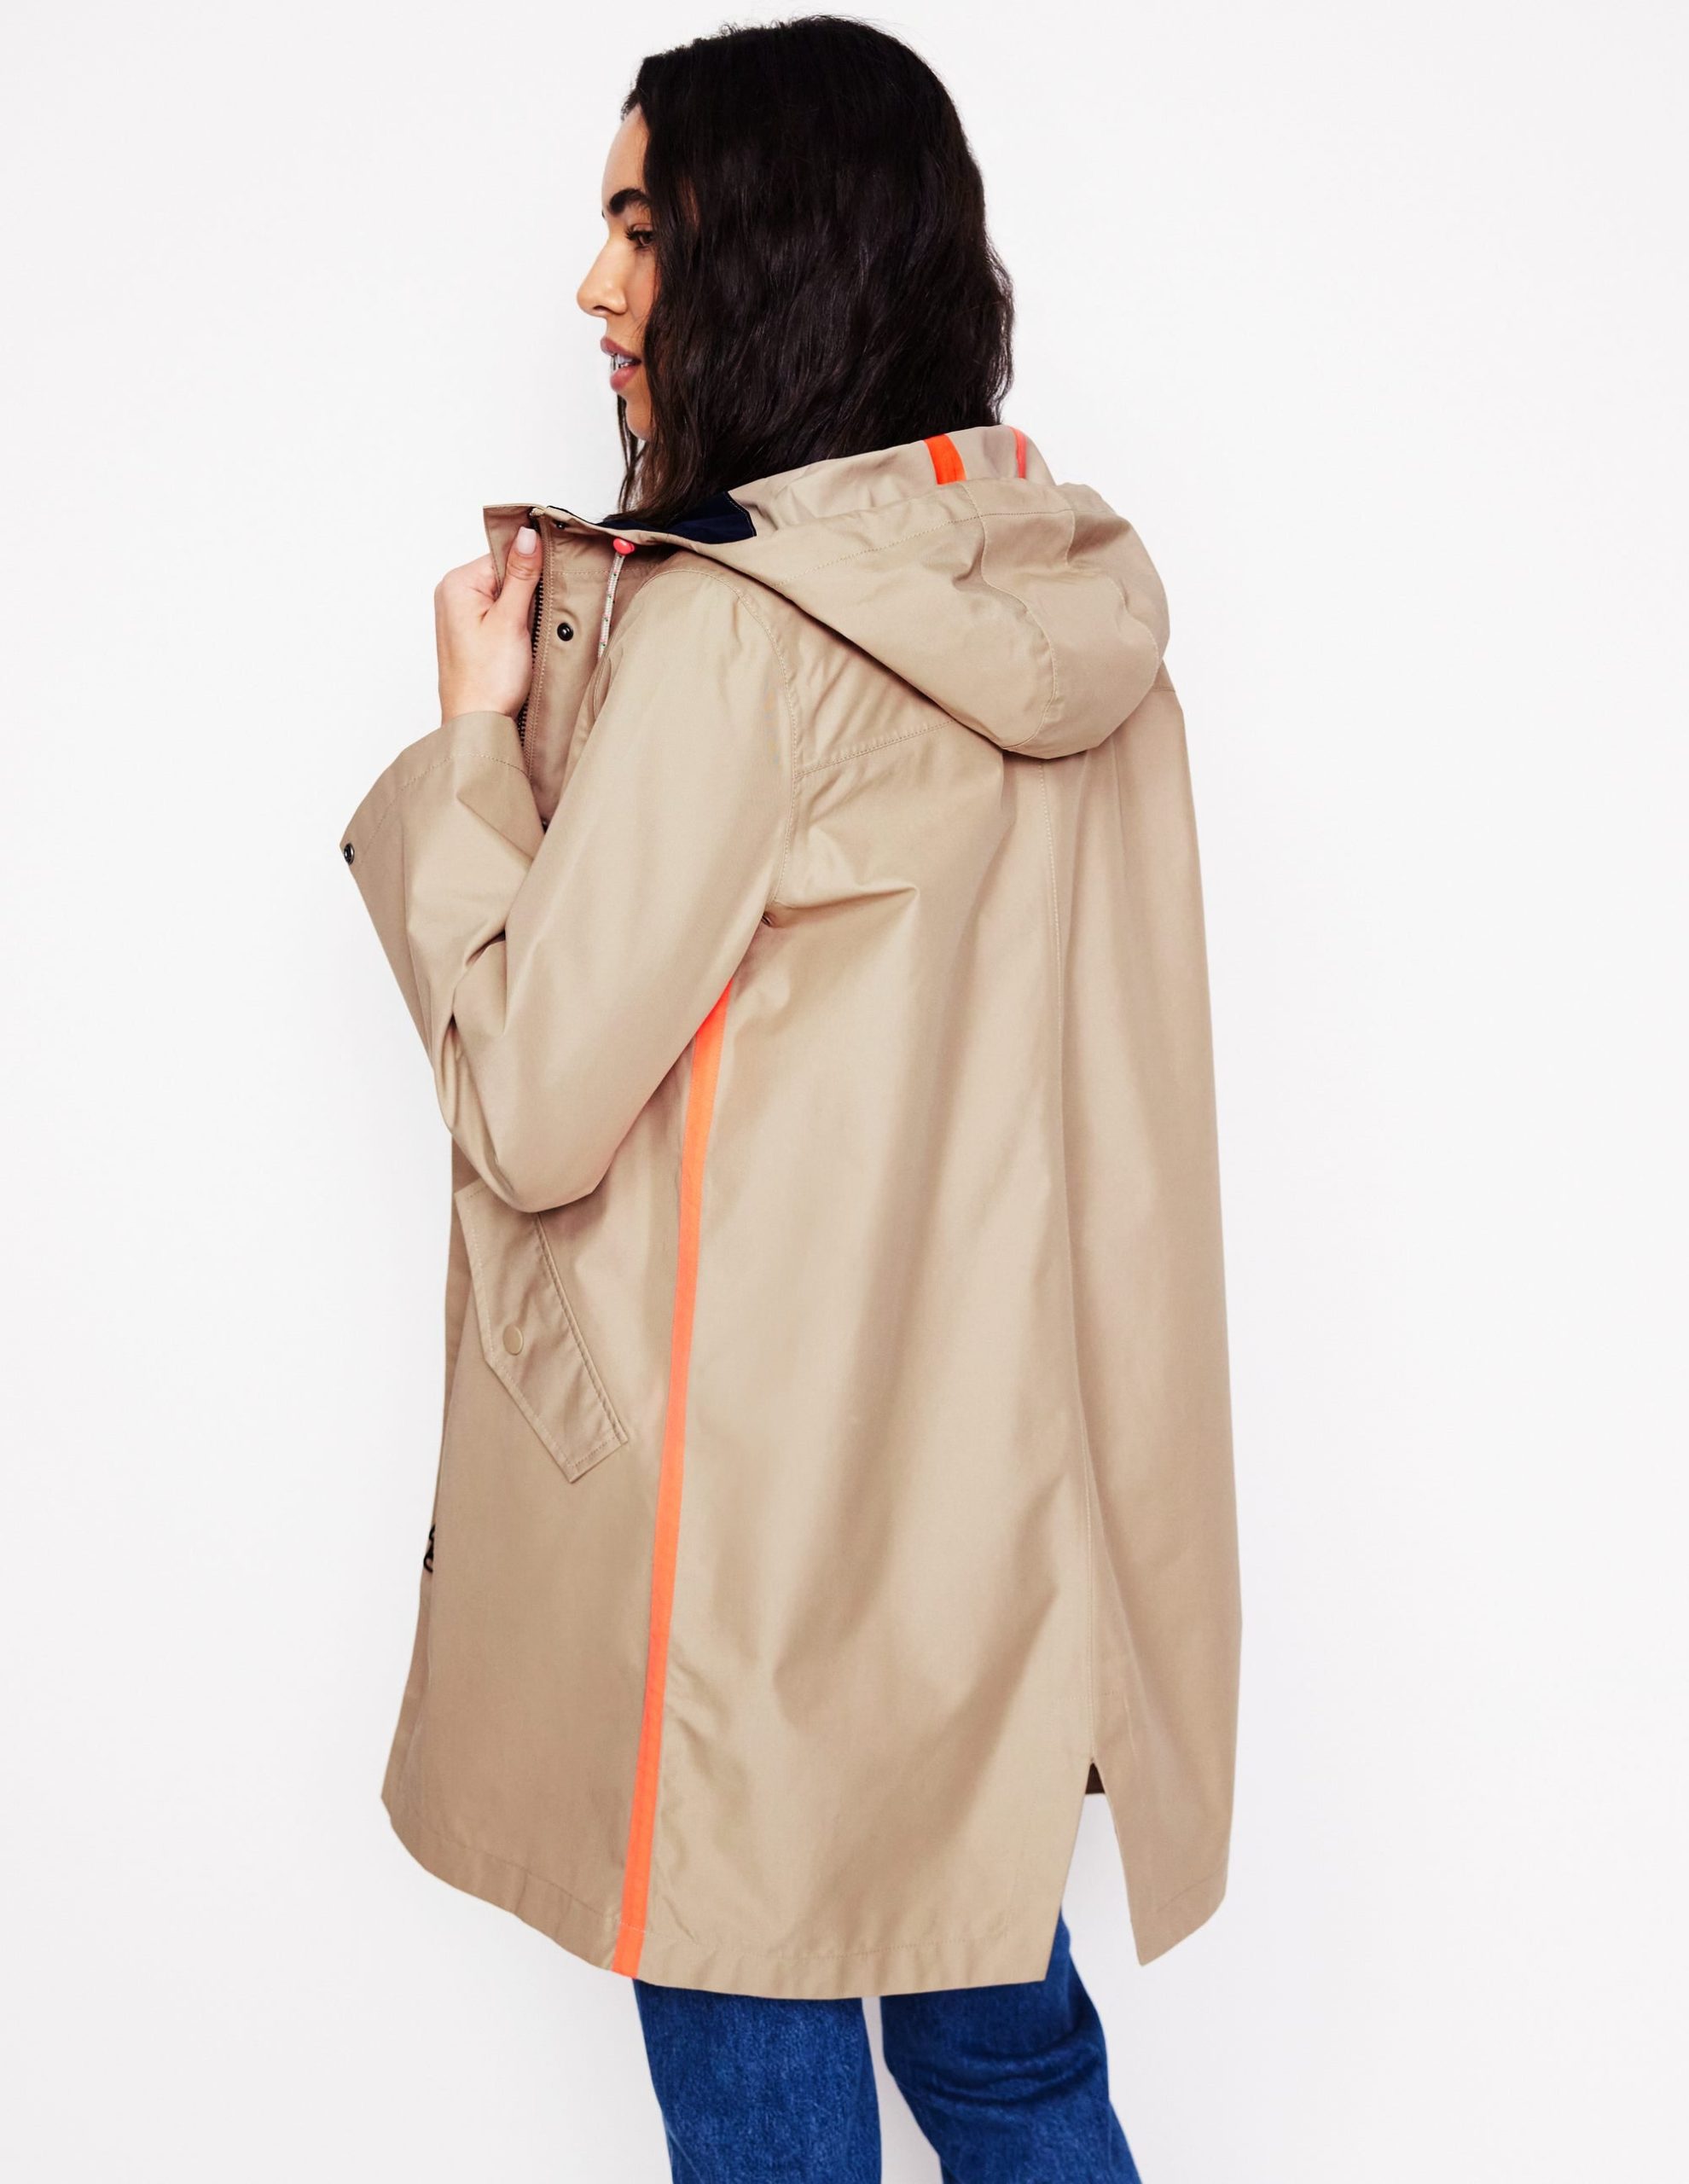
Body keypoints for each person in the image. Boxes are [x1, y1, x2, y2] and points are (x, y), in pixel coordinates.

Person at [340, 16, 1239, 2180]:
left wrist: (468, 750)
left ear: (773, 251)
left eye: (641, 227)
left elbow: (535, 1103)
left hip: (748, 1570)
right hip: (990, 1559)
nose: (596, 288)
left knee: (767, 2111)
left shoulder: (741, 635)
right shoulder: (1067, 610)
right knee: (1008, 2058)